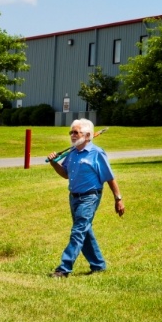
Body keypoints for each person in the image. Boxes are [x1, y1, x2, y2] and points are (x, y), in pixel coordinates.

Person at [47, 118, 125, 277]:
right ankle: (98, 265)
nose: (72, 135)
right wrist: (54, 163)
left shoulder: (97, 153)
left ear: (88, 135)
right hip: (74, 197)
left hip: (90, 197)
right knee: (84, 230)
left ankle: (64, 268)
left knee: (78, 231)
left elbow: (109, 177)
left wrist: (118, 199)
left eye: (76, 132)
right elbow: (66, 174)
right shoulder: (73, 153)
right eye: (71, 132)